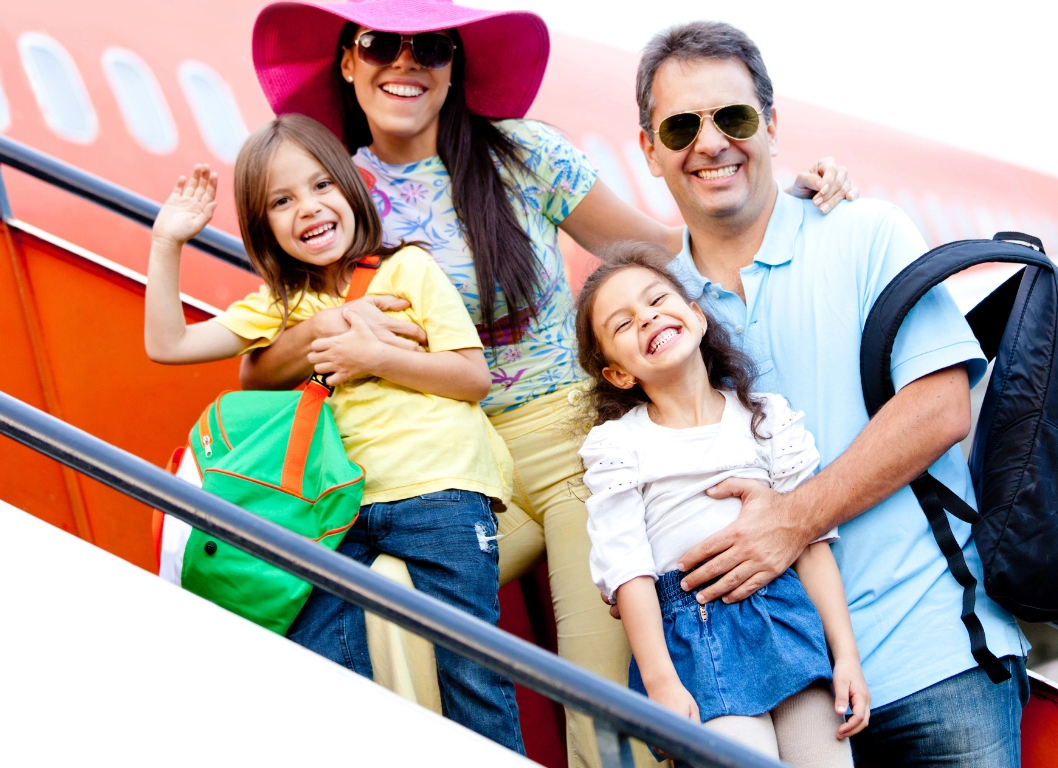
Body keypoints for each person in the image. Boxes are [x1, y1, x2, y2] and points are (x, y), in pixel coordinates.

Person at [247, 3, 857, 764]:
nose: (405, 62)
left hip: (573, 447)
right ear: (347, 61)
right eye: (379, 44)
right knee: (387, 606)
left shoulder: (522, 153)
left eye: (430, 47)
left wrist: (780, 204)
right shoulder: (333, 191)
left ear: (455, 66)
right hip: (454, 467)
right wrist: (334, 328)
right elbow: (261, 357)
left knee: (599, 701)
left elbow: (658, 247)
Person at [631, 22, 1031, 767]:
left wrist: (793, 520)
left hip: (928, 658)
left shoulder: (865, 232)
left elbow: (941, 408)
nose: (711, 143)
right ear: (650, 150)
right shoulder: (657, 307)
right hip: (775, 698)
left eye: (733, 117)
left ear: (772, 125)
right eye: (682, 127)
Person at [141, 114, 523, 754]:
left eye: (321, 186)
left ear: (350, 188)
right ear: (264, 227)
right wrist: (167, 243)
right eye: (281, 201)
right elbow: (168, 344)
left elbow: (470, 377)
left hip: (439, 492)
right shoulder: (278, 306)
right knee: (321, 659)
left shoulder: (407, 270)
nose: (309, 208)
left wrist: (373, 358)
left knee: (472, 673)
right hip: (339, 508)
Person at [573, 244, 868, 767]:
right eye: (623, 324)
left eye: (657, 300)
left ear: (696, 315)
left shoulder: (765, 417)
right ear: (618, 374)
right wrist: (662, 683)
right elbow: (628, 572)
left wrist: (846, 655)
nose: (647, 318)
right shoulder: (619, 445)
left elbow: (811, 542)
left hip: (785, 620)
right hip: (695, 635)